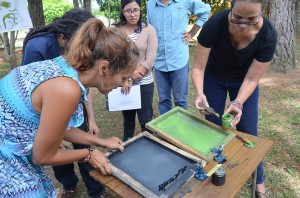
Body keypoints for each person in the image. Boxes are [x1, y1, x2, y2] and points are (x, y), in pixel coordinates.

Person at [0, 18, 139, 198]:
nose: (123, 84)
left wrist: (101, 142)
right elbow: (42, 157)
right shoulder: (66, 89)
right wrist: (88, 154)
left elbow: (57, 127)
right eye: (124, 77)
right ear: (104, 68)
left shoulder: (63, 68)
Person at [191, 0, 277, 197]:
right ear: (231, 7)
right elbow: (198, 67)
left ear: (262, 14)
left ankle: (259, 182)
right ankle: (213, 174)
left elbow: (253, 78)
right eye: (237, 18)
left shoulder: (268, 35)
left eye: (252, 20)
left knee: (248, 132)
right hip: (214, 78)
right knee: (213, 128)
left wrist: (238, 102)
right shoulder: (215, 24)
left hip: (244, 81)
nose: (243, 25)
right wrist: (199, 92)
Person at [21, 9, 104, 197]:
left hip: (71, 100)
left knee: (81, 141)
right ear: (63, 38)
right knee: (55, 148)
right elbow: (31, 96)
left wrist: (91, 119)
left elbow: (85, 88)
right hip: (41, 110)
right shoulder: (37, 48)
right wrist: (56, 141)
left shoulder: (79, 51)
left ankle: (96, 189)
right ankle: (69, 184)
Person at [146, 0, 210, 115]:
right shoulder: (150, 4)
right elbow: (149, 30)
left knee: (180, 100)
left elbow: (205, 11)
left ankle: (181, 130)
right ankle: (165, 131)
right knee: (163, 100)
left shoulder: (185, 1)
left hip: (179, 59)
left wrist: (192, 32)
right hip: (159, 61)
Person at [113, 0, 158, 141]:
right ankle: (127, 142)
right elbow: (111, 56)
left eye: (136, 10)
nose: (132, 14)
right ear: (122, 11)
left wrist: (133, 77)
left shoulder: (149, 29)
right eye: (128, 10)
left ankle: (149, 143)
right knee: (128, 118)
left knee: (146, 119)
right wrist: (126, 77)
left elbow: (150, 58)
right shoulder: (114, 29)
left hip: (144, 82)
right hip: (123, 83)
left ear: (140, 10)